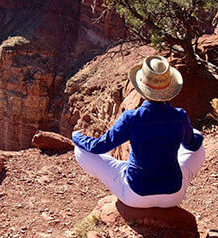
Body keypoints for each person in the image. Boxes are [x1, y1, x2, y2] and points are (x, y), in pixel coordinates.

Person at [72, 55, 205, 208]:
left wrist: (78, 137)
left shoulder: (132, 118)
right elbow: (193, 146)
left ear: (142, 89)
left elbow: (100, 146)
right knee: (196, 138)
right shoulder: (180, 116)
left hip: (136, 195)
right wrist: (190, 135)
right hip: (173, 195)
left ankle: (128, 172)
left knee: (81, 150)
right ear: (169, 89)